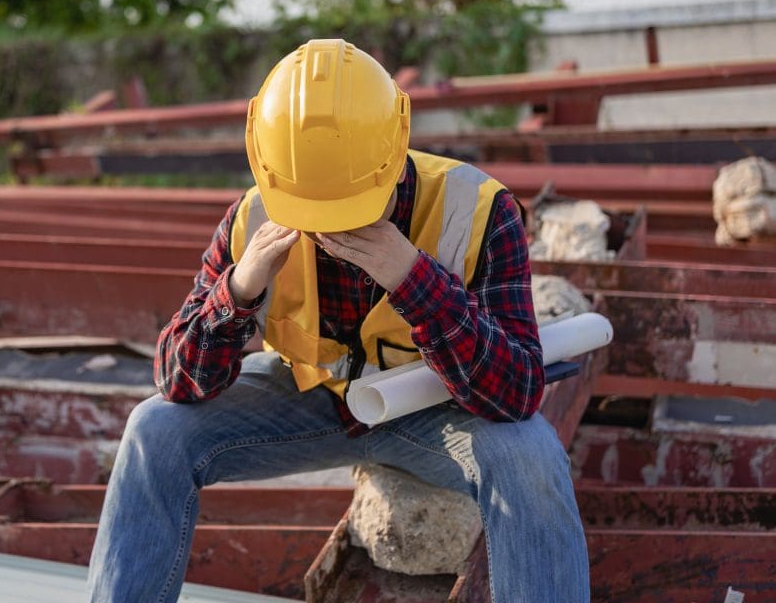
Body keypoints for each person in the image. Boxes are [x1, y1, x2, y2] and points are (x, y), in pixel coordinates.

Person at [88, 39, 589, 602]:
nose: (328, 228)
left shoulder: (476, 209)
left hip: (436, 411)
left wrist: (413, 280)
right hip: (310, 401)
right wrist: (239, 289)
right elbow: (174, 379)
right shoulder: (254, 215)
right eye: (310, 207)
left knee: (531, 455)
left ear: (396, 147)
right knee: (154, 431)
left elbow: (517, 392)